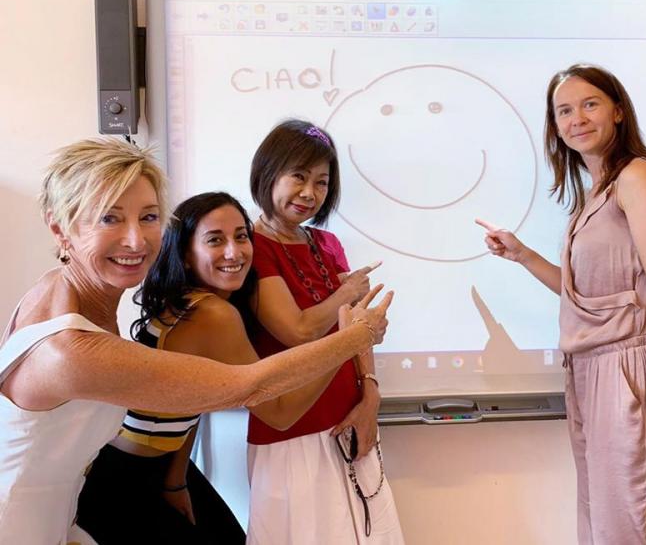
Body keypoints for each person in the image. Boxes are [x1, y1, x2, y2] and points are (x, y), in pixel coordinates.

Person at [0, 138, 391, 545]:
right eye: (109, 219)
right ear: (60, 228)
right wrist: (357, 335)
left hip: (76, 500)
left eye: (148, 217)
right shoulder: (70, 350)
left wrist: (175, 479)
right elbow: (253, 386)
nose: (136, 240)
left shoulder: (58, 291)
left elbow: (187, 401)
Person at [478, 64, 646, 544]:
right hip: (589, 371)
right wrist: (523, 255)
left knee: (626, 527)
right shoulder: (594, 194)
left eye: (589, 104)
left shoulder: (638, 176)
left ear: (618, 110)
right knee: (600, 523)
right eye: (564, 110)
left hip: (628, 371)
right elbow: (589, 300)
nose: (577, 118)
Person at [77, 191, 364, 543]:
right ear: (184, 254)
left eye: (242, 236)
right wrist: (347, 341)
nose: (234, 251)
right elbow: (279, 411)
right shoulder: (212, 314)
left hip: (152, 468)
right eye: (215, 240)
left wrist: (177, 480)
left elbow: (191, 400)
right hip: (125, 483)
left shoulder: (189, 302)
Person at [247, 119, 404, 544]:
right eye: (298, 176)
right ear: (268, 173)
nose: (309, 193)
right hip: (292, 429)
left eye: (321, 182)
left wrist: (370, 393)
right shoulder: (250, 245)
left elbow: (355, 328)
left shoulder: (328, 243)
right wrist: (345, 294)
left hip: (351, 419)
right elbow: (298, 331)